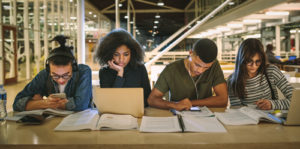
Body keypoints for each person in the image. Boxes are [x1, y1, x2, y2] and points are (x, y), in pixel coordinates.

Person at [13, 35, 92, 111]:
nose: (61, 80)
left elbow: (81, 105)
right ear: (48, 69)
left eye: (66, 75)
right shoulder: (44, 74)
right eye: (55, 76)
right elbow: (17, 104)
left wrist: (36, 104)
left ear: (73, 67)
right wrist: (44, 103)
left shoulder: (83, 71)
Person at [147, 38, 228, 111]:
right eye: (197, 65)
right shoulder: (171, 70)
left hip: (206, 117)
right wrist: (175, 105)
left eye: (206, 68)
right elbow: (152, 99)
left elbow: (223, 100)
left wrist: (191, 103)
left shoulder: (214, 66)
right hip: (179, 115)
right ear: (190, 53)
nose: (200, 70)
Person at [227, 38, 293, 110]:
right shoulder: (232, 80)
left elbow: (295, 101)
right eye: (249, 61)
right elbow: (237, 110)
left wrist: (272, 104)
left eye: (258, 61)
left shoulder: (272, 71)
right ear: (241, 60)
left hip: (272, 119)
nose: (254, 66)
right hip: (248, 120)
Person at [94, 28, 151, 107]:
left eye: (126, 54)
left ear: (132, 53)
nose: (121, 59)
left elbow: (148, 98)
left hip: (136, 113)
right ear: (109, 54)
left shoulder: (140, 69)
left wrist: (132, 106)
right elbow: (110, 102)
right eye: (116, 54)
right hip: (114, 115)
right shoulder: (104, 72)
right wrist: (120, 74)